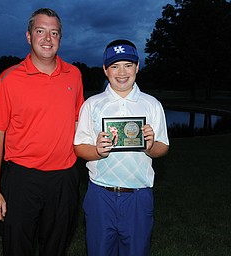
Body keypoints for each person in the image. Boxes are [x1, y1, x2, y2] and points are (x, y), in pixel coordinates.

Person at [0, 8, 84, 256]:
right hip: (22, 178)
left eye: (54, 33)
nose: (47, 39)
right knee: (17, 248)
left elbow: (78, 123)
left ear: (60, 38)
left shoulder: (74, 75)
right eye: (40, 31)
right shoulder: (9, 78)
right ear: (29, 36)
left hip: (64, 178)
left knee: (56, 248)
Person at [74, 39, 169, 256]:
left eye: (128, 65)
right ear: (105, 70)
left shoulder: (152, 104)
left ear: (137, 67)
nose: (122, 72)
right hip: (100, 194)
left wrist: (150, 147)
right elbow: (79, 147)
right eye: (115, 66)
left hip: (138, 195)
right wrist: (96, 150)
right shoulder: (92, 104)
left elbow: (163, 148)